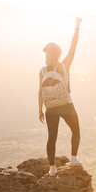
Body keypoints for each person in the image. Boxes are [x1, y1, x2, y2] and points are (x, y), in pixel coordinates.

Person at [38, 17, 82, 176]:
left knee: (52, 137)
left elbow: (39, 91)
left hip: (50, 108)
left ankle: (52, 168)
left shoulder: (42, 71)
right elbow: (73, 45)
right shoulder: (64, 64)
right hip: (66, 105)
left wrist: (40, 109)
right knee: (76, 130)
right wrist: (77, 26)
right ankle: (74, 158)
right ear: (58, 54)